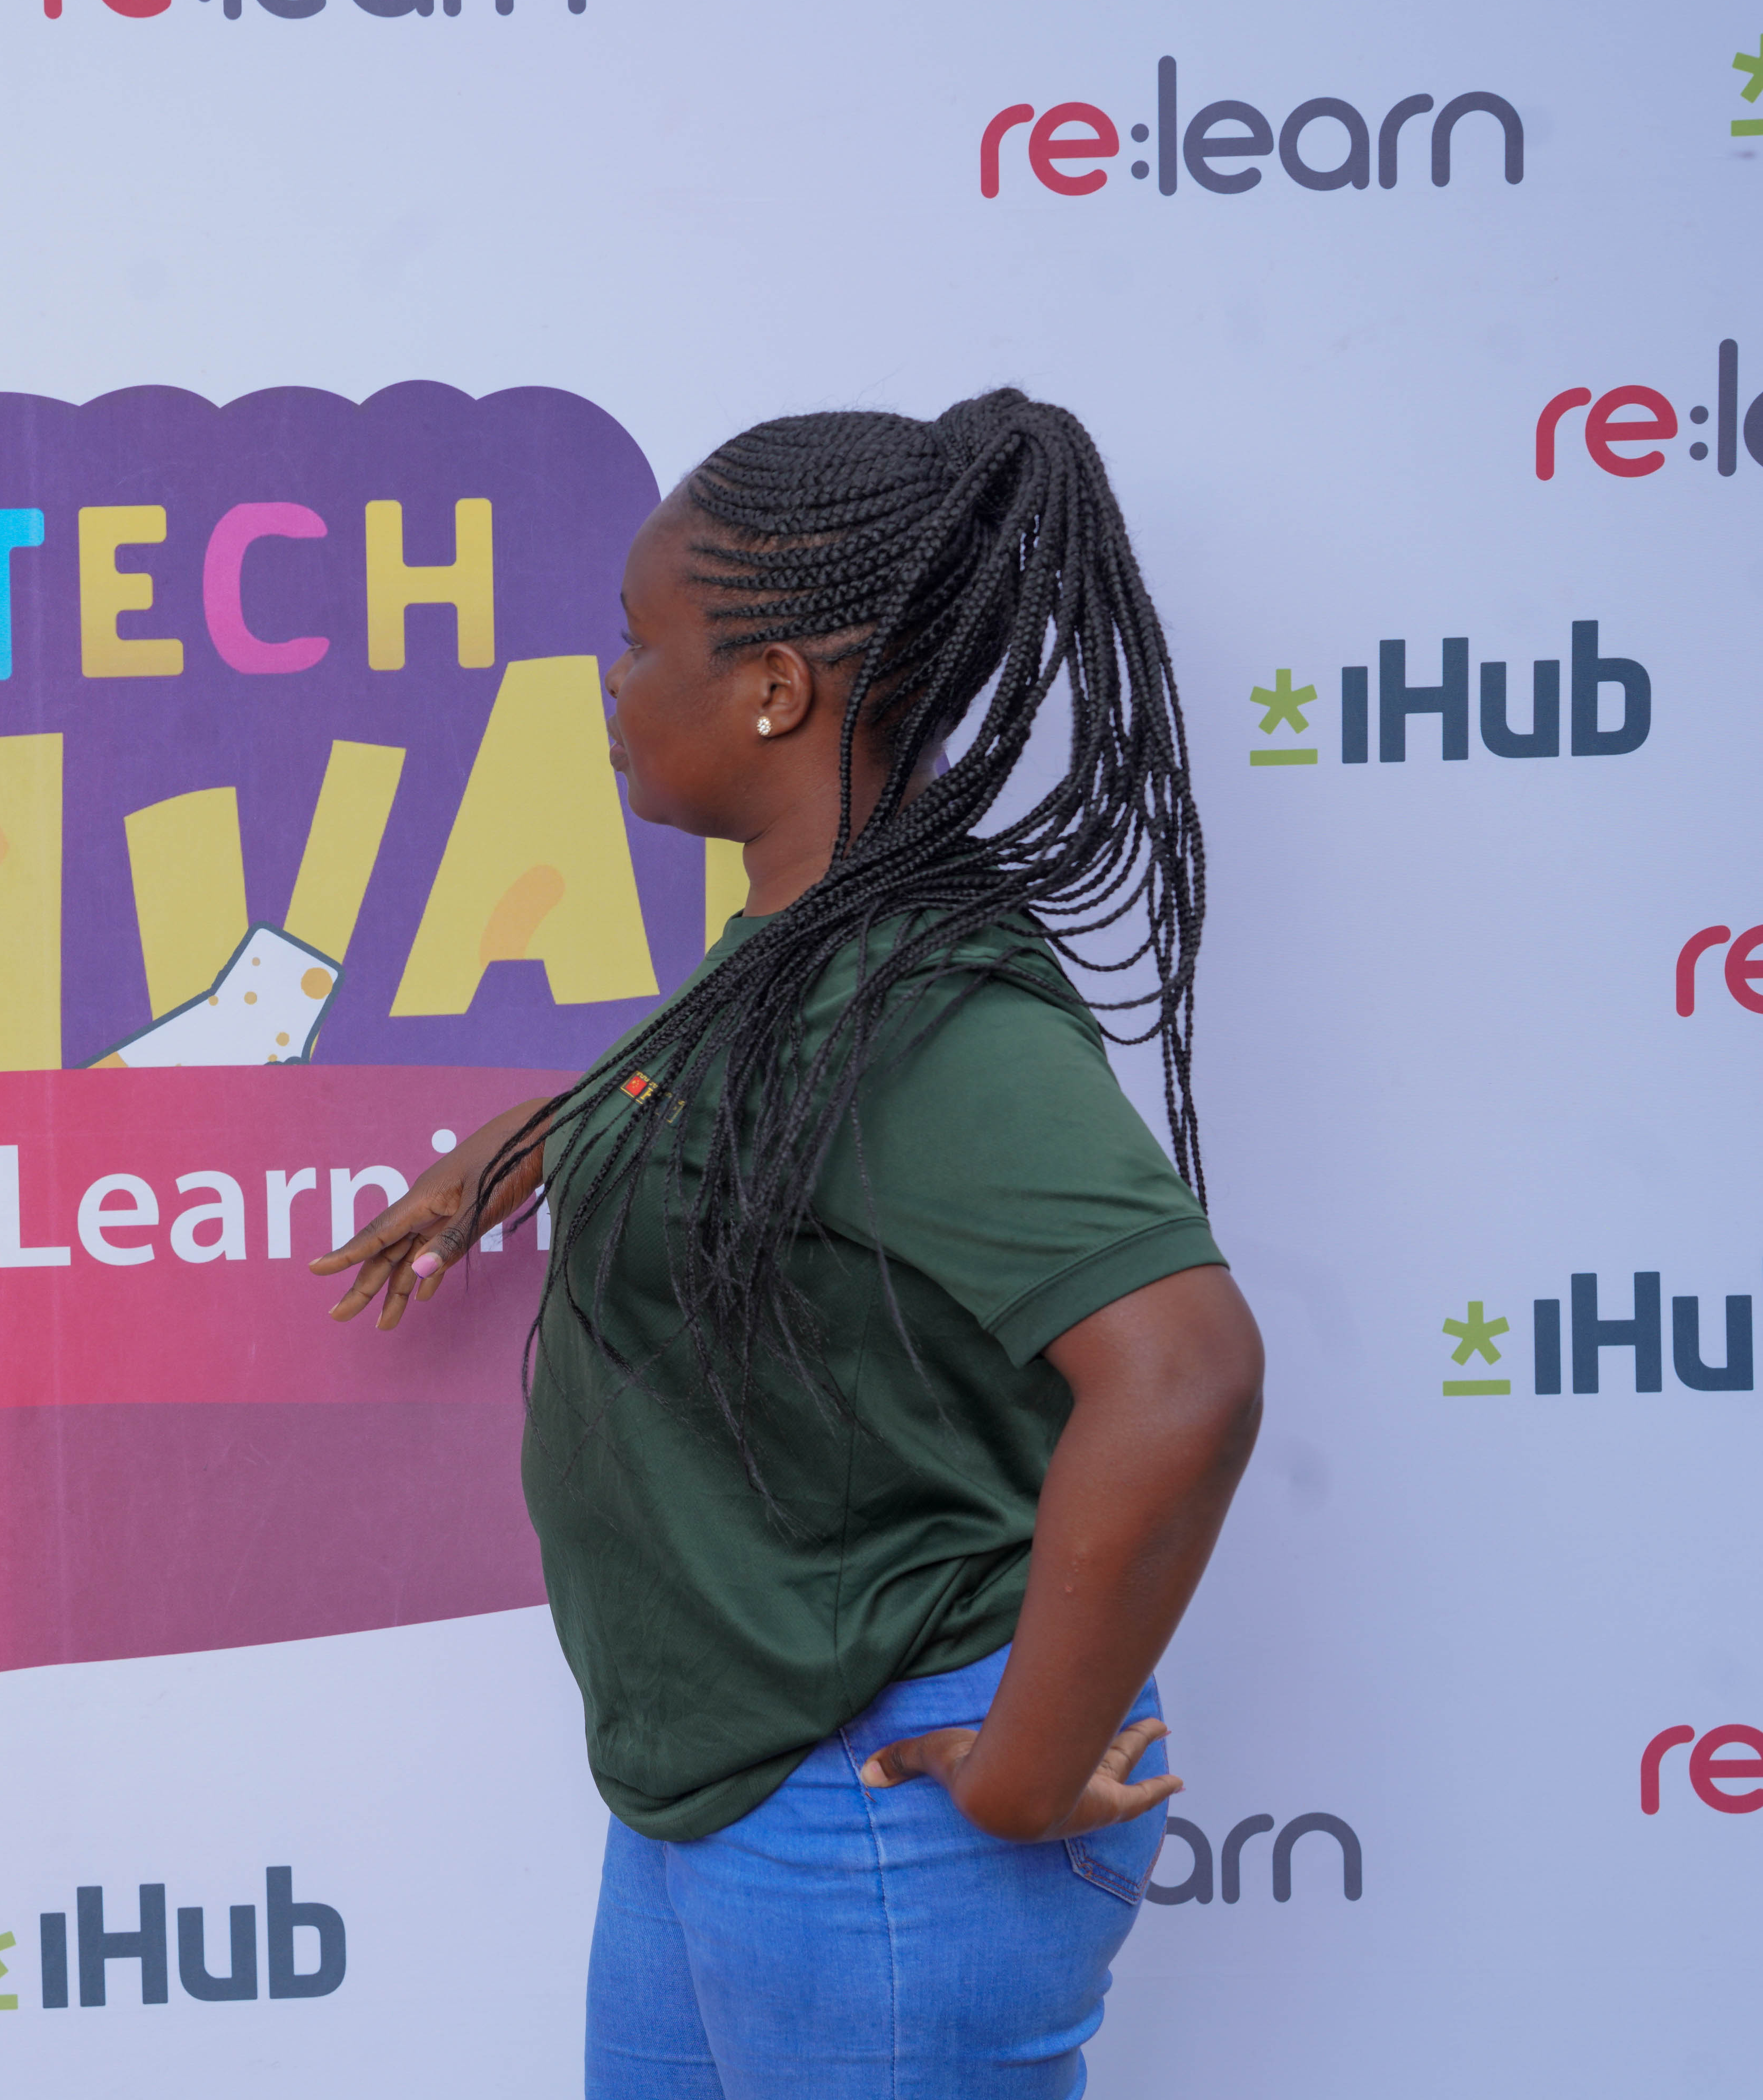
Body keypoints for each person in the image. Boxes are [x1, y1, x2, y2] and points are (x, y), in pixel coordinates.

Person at [310, 391, 1264, 2098]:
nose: (611, 681)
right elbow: (745, 1108)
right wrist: (533, 1141)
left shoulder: (927, 1002)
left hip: (880, 1816)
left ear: (772, 688)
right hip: (730, 1787)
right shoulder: (799, 939)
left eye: (640, 641)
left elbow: (1185, 1372)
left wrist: (1021, 1774)